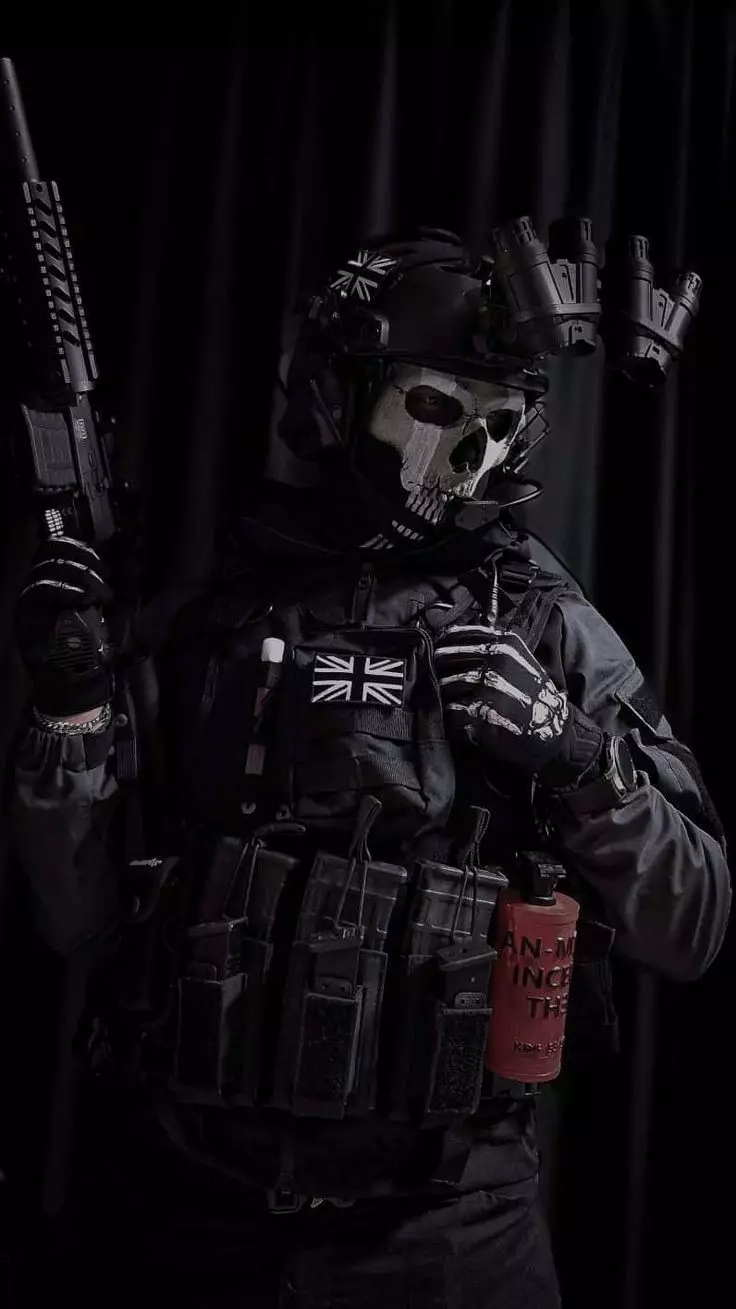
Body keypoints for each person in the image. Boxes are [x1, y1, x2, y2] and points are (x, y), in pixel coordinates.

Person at [7, 227, 731, 1308]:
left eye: (496, 422)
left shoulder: (546, 624)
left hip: (444, 1232)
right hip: (180, 1210)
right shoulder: (211, 607)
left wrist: (584, 759)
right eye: (433, 405)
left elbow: (693, 922)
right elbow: (78, 918)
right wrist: (69, 704)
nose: (466, 457)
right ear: (337, 393)